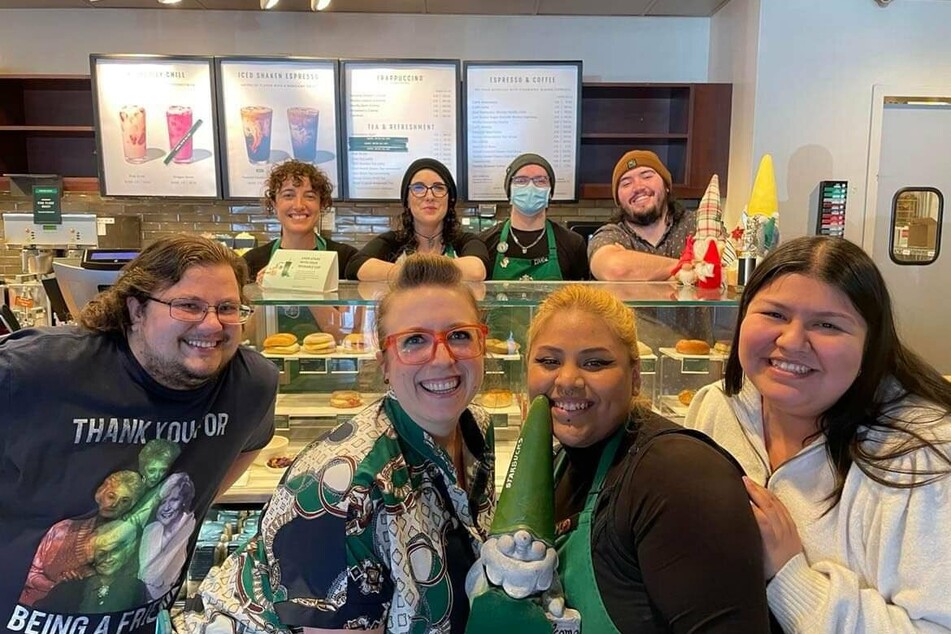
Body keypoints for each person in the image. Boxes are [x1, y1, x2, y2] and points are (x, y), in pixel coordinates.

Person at [183, 253, 496, 634]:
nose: (443, 358)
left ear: (484, 341)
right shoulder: (341, 493)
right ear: (384, 363)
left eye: (459, 335)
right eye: (414, 340)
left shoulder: (476, 426)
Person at [1, 235, 278, 632]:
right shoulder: (36, 371)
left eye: (228, 308)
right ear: (136, 310)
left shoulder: (250, 385)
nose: (213, 324)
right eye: (188, 306)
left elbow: (244, 449)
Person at [683, 235, 951, 632]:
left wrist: (791, 577)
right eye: (774, 314)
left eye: (826, 325)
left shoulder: (923, 458)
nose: (791, 341)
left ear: (871, 344)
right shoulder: (716, 408)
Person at [526, 285, 771, 632]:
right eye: (549, 361)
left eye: (595, 362)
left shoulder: (676, 474)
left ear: (636, 376)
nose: (567, 380)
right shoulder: (559, 463)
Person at [242, 159, 363, 341]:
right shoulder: (250, 262)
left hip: (332, 366)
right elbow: (245, 338)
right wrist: (268, 294)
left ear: (322, 205)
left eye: (310, 196)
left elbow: (349, 337)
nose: (299, 205)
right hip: (268, 367)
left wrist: (296, 283)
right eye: (288, 195)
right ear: (274, 204)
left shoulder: (347, 259)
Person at [346, 158, 490, 281]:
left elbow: (477, 270)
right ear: (407, 200)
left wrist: (408, 272)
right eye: (419, 188)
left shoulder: (465, 241)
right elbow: (357, 266)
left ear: (450, 199)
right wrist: (436, 270)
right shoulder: (393, 242)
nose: (429, 196)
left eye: (438, 188)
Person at [588, 150, 696, 281]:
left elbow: (721, 270)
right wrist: (687, 268)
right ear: (618, 200)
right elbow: (616, 269)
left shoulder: (696, 224)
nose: (638, 187)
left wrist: (637, 267)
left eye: (647, 176)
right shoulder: (610, 235)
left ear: (667, 185)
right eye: (626, 183)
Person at [480, 153, 588, 281]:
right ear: (510, 191)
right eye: (521, 180)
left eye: (540, 180)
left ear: (550, 192)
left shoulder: (573, 243)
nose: (531, 187)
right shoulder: (485, 242)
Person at [37, 521, 147, 614]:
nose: (108, 558)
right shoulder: (69, 586)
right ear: (91, 553)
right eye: (102, 552)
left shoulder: (135, 588)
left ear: (128, 551)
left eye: (115, 551)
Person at [138, 472, 197, 600]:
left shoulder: (189, 524)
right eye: (163, 502)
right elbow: (147, 576)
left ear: (183, 501)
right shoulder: (151, 530)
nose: (166, 508)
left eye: (174, 500)